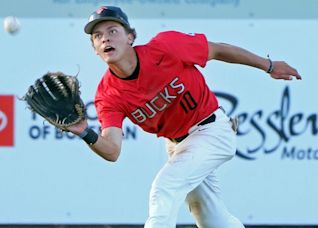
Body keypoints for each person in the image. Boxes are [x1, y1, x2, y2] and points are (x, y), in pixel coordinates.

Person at [68, 5, 301, 228]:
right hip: (179, 146)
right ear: (95, 49)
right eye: (98, 36)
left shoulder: (165, 46)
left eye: (113, 31)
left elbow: (218, 49)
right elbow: (112, 150)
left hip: (212, 130)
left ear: (130, 37)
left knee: (164, 188)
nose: (105, 38)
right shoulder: (108, 94)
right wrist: (84, 132)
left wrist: (268, 66)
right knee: (212, 220)